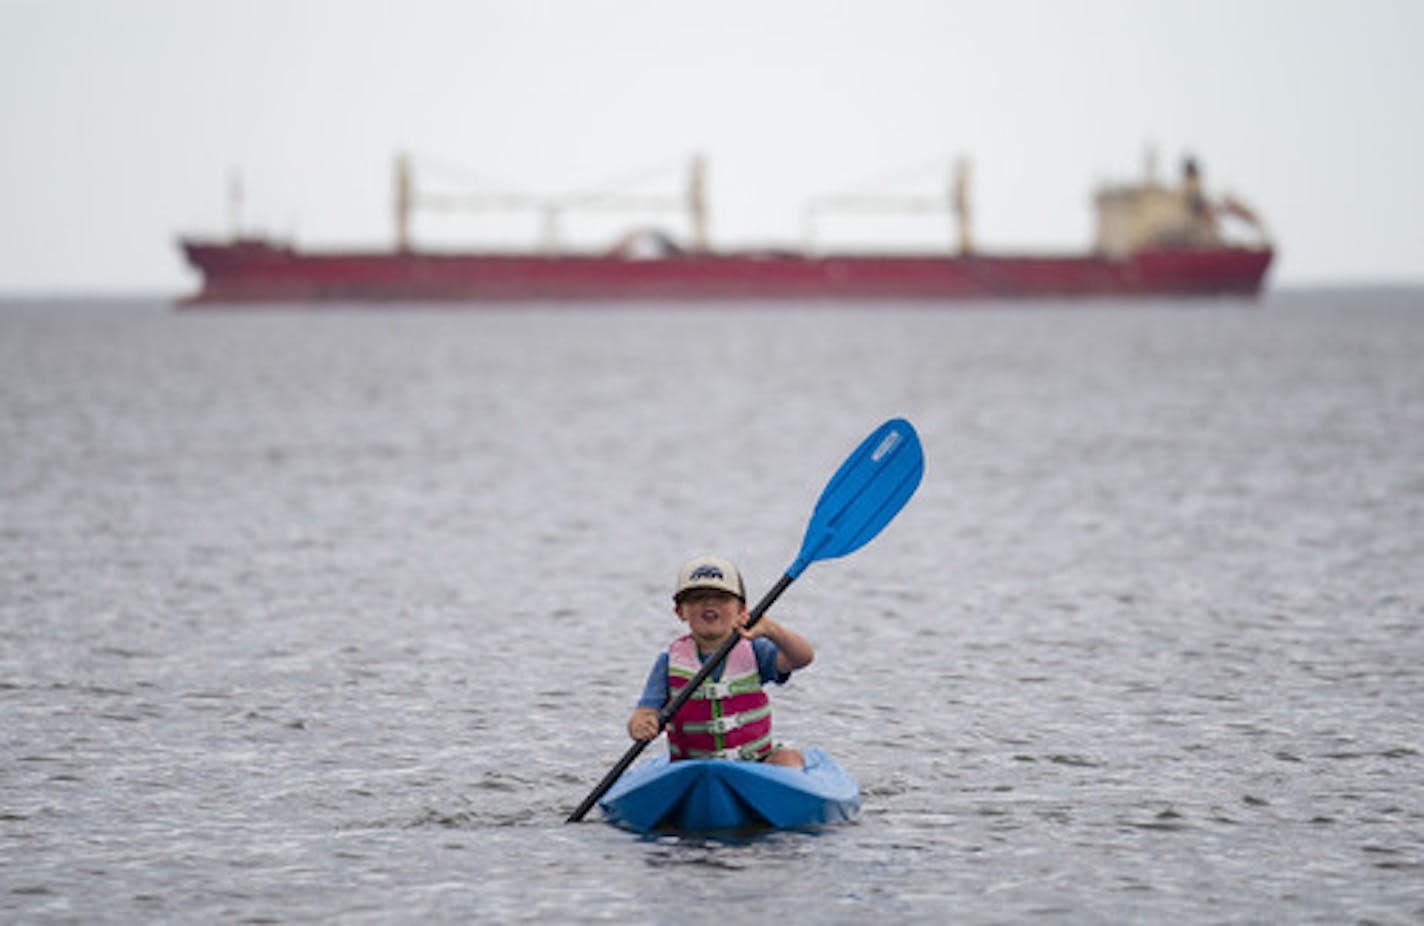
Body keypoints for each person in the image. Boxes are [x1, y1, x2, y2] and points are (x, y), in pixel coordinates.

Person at [627, 555, 815, 768]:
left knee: (788, 757)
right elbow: (645, 711)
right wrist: (640, 725)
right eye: (697, 598)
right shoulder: (668, 662)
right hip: (692, 767)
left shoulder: (756, 649)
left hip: (755, 762)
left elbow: (802, 658)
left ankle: (784, 795)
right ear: (680, 611)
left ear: (742, 610)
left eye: (722, 597)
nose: (709, 603)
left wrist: (772, 630)